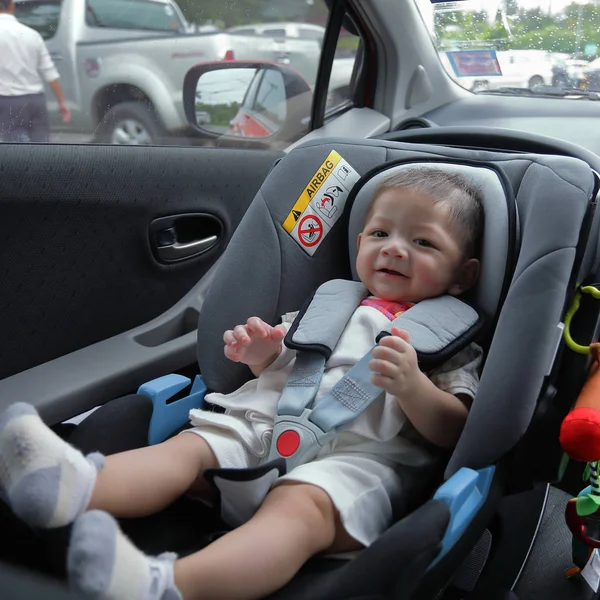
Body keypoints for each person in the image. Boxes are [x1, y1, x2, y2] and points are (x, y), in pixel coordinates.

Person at [0, 168, 484, 600]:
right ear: (359, 245)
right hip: (260, 431)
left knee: (300, 511)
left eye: (424, 243)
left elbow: (455, 429)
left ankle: (165, 585)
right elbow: (283, 375)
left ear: (463, 276)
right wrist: (263, 355)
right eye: (381, 232)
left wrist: (412, 386)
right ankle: (72, 486)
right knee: (185, 451)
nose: (395, 248)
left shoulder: (451, 342)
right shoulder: (330, 305)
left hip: (358, 464)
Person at [0, 0, 71, 142]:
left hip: (7, 100)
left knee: (14, 152)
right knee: (41, 150)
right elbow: (49, 71)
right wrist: (62, 101)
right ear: (13, 6)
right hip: (35, 100)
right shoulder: (32, 34)